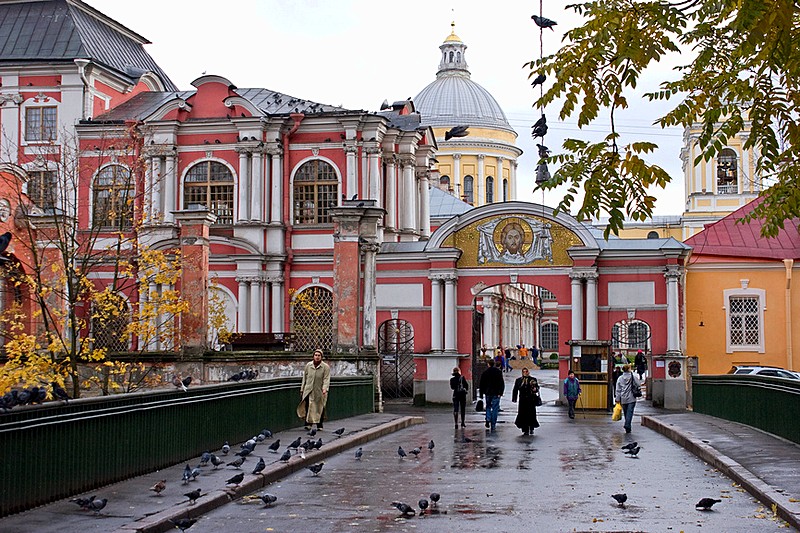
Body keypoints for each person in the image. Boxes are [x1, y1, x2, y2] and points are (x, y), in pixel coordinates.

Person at [296, 349, 331, 430]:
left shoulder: (325, 367)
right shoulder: (308, 365)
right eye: (316, 355)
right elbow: (304, 378)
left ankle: (319, 424)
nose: (317, 357)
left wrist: (325, 388)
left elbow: (326, 379)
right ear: (313, 356)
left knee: (320, 407)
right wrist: (302, 388)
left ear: (321, 357)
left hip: (319, 389)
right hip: (308, 389)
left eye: (319, 356)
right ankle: (308, 424)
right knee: (308, 406)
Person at [512, 367, 540, 435]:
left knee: (531, 414)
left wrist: (535, 389)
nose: (525, 373)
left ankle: (531, 427)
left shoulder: (532, 379)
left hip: (531, 399)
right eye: (523, 372)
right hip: (522, 400)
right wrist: (514, 398)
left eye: (526, 371)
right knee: (523, 414)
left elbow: (537, 388)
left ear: (528, 372)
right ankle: (525, 429)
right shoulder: (519, 380)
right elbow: (515, 389)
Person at [478, 358, 505, 432]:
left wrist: (481, 393)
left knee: (488, 406)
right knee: (495, 408)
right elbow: (501, 383)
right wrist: (501, 392)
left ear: (488, 364)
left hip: (488, 392)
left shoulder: (485, 372)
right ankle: (493, 424)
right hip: (496, 392)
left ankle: (488, 418)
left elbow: (481, 384)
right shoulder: (498, 372)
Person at [614, 364, 641, 433]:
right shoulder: (633, 377)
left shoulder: (620, 378)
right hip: (631, 397)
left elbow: (618, 389)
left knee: (626, 412)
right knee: (630, 412)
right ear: (629, 369)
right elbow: (638, 384)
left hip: (623, 398)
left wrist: (617, 399)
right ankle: (627, 425)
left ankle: (627, 425)